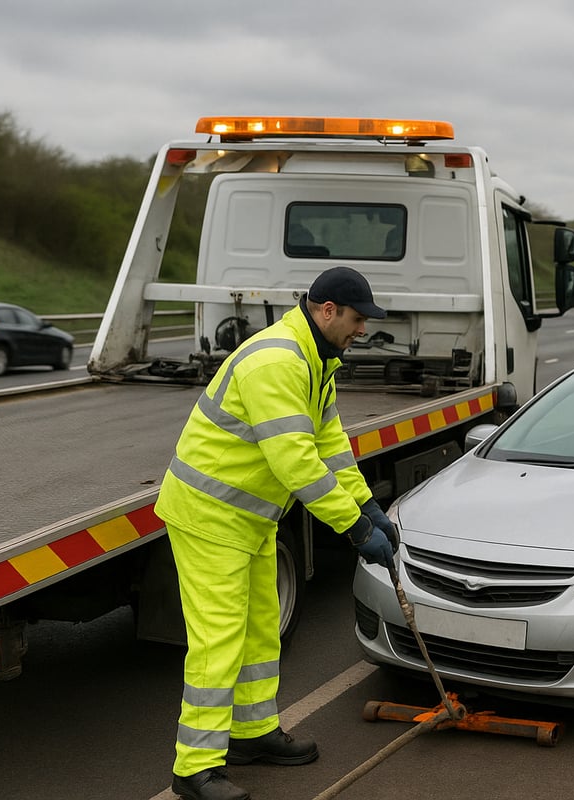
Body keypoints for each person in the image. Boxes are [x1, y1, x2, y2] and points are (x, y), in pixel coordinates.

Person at [155, 266, 400, 800]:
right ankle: (194, 768)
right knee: (219, 639)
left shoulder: (316, 360)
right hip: (209, 516)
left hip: (249, 518)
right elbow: (297, 463)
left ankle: (251, 733)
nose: (363, 330)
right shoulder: (277, 361)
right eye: (357, 319)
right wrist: (355, 528)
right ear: (328, 311)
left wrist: (366, 503)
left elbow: (329, 442)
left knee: (261, 627)